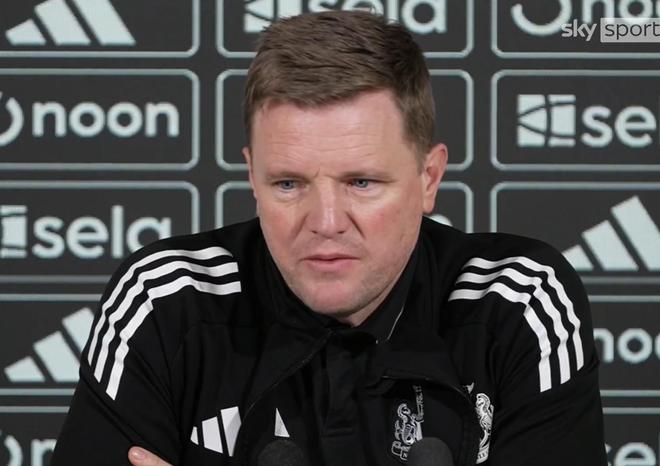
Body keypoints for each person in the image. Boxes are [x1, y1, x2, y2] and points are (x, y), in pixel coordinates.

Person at [50, 10, 606, 466]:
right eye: (288, 184)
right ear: (252, 177)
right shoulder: (165, 297)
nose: (326, 221)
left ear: (429, 178)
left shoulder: (518, 298)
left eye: (361, 182)